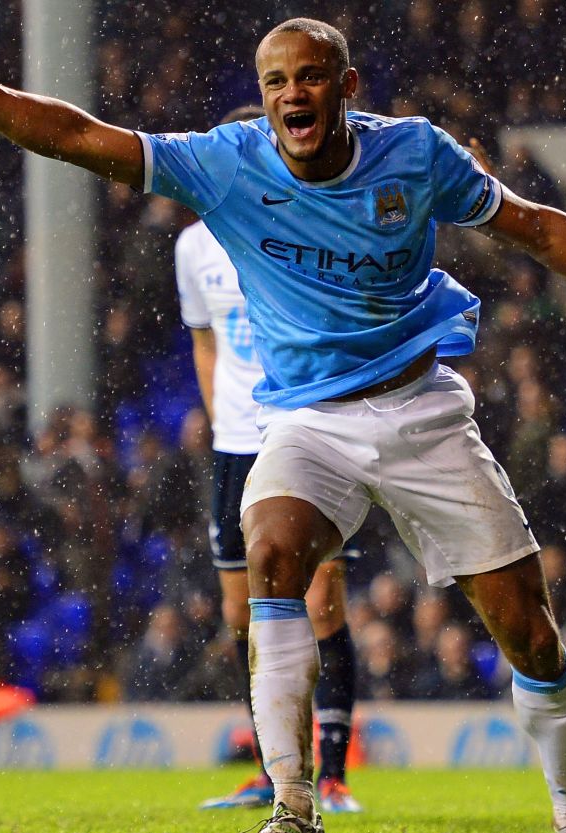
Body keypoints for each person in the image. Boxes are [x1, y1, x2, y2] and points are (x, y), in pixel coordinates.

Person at [0, 18, 566, 833]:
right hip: (307, 422)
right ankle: (293, 804)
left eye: (309, 76)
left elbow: (539, 228)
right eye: (275, 81)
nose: (292, 94)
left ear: (345, 87)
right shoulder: (227, 165)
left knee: (529, 630)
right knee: (271, 555)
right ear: (262, 98)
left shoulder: (414, 153)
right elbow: (79, 135)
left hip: (421, 412)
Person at [176, 105, 360, 816]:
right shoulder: (193, 245)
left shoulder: (306, 224)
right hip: (234, 449)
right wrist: (224, 416)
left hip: (306, 433)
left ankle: (334, 772)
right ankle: (271, 765)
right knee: (241, 614)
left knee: (320, 604)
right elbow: (203, 339)